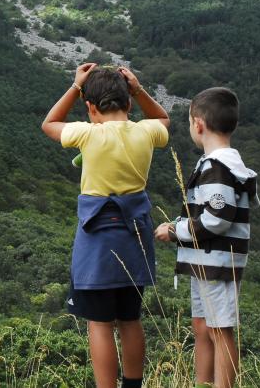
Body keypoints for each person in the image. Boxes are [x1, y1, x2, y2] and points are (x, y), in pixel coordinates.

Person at [41, 63, 170, 388]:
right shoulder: (145, 131)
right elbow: (164, 120)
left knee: (99, 324)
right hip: (135, 236)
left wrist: (75, 86)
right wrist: (139, 89)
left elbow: (49, 124)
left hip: (98, 239)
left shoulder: (87, 133)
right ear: (128, 103)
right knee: (130, 319)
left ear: (90, 107)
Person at [155, 87, 259, 388]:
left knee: (220, 330)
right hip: (206, 263)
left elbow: (217, 219)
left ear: (197, 124)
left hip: (217, 264)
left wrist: (175, 229)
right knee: (202, 326)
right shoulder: (218, 164)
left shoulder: (218, 167)